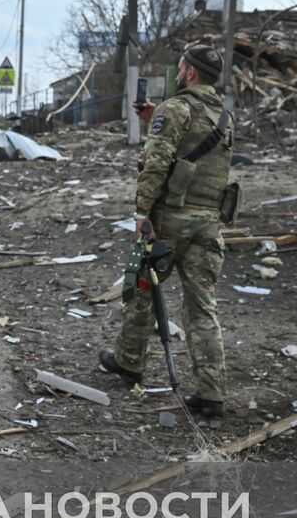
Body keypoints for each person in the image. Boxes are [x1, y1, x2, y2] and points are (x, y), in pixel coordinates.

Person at [99, 42, 233, 418]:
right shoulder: (223, 115)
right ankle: (211, 393)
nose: (178, 72)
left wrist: (142, 213)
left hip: (169, 223)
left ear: (189, 72)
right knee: (201, 307)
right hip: (208, 224)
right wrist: (156, 117)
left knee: (141, 288)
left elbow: (156, 164)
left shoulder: (176, 108)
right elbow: (194, 148)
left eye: (180, 67)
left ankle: (129, 362)